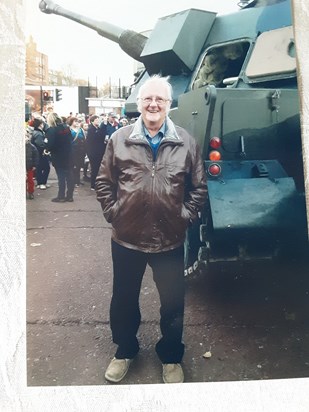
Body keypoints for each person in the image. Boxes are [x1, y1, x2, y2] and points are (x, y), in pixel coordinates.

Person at [95, 75, 207, 384]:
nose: (154, 104)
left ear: (169, 105)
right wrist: (114, 212)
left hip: (169, 240)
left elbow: (198, 188)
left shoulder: (186, 141)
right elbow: (104, 182)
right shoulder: (119, 139)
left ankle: (171, 356)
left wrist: (183, 215)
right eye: (148, 99)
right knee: (123, 299)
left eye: (160, 99)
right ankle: (125, 350)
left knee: (173, 303)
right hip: (126, 238)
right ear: (139, 103)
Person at [45, 112, 74, 202]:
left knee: (61, 176)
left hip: (58, 156)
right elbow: (71, 139)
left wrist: (47, 150)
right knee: (69, 176)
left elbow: (51, 144)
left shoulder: (52, 130)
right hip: (68, 155)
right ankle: (70, 196)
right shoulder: (66, 128)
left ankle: (61, 196)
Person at [85, 115, 106, 190]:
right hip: (93, 153)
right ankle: (93, 184)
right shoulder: (91, 129)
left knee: (98, 169)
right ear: (93, 121)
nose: (98, 121)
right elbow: (90, 141)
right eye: (96, 120)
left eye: (98, 120)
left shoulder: (99, 128)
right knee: (94, 168)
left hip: (99, 152)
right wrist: (89, 153)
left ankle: (97, 183)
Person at [31, 117, 51, 190]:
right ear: (40, 125)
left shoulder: (36, 132)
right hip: (41, 153)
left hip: (38, 153)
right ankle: (42, 183)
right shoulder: (39, 134)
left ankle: (40, 183)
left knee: (39, 168)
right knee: (46, 168)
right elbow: (41, 144)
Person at [68, 117, 86, 186]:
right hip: (72, 151)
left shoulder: (81, 130)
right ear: (71, 122)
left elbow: (84, 139)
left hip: (81, 150)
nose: (76, 123)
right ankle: (73, 181)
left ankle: (77, 181)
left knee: (79, 166)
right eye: (75, 121)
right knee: (73, 166)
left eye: (77, 121)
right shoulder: (68, 130)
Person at [25, 127, 39, 200]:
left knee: (30, 180)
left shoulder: (32, 147)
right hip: (22, 167)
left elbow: (36, 156)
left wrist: (34, 165)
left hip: (29, 166)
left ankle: (30, 192)